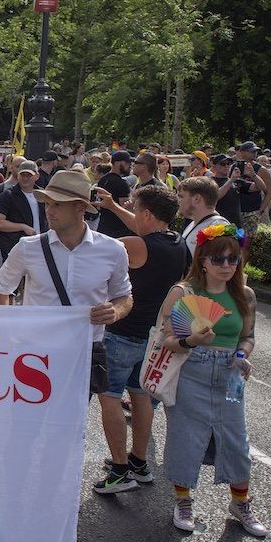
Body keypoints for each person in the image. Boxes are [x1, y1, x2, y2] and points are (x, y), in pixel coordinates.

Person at [157, 224, 265, 536]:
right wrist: (192, 340)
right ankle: (183, 501)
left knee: (236, 441)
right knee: (185, 439)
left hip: (230, 375)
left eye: (233, 259)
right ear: (203, 259)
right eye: (219, 259)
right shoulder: (184, 292)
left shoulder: (245, 295)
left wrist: (242, 356)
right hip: (191, 371)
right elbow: (167, 339)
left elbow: (248, 337)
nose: (227, 266)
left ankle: (240, 503)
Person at [0, 171, 133, 396]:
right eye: (47, 203)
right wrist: (9, 334)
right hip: (33, 353)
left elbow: (124, 297)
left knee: (74, 427)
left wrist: (115, 311)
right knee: (27, 424)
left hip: (84, 352)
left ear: (79, 208)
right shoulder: (28, 247)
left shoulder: (113, 250)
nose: (49, 211)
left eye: (57, 204)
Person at [88, 184, 189, 494]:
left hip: (122, 334)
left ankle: (119, 470)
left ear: (146, 213)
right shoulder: (179, 243)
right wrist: (114, 207)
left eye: (135, 208)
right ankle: (138, 462)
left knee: (110, 398)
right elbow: (141, 227)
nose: (131, 213)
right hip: (152, 337)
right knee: (141, 395)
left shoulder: (134, 245)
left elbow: (96, 249)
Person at [0, 160, 46, 262]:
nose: (25, 178)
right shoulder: (7, 196)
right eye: (22, 175)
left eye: (28, 175)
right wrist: (22, 227)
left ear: (36, 176)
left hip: (40, 246)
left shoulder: (43, 194)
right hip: (14, 248)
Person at [176, 176, 230, 255]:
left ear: (196, 198)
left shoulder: (219, 226)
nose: (178, 200)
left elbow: (222, 265)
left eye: (181, 196)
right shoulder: (194, 223)